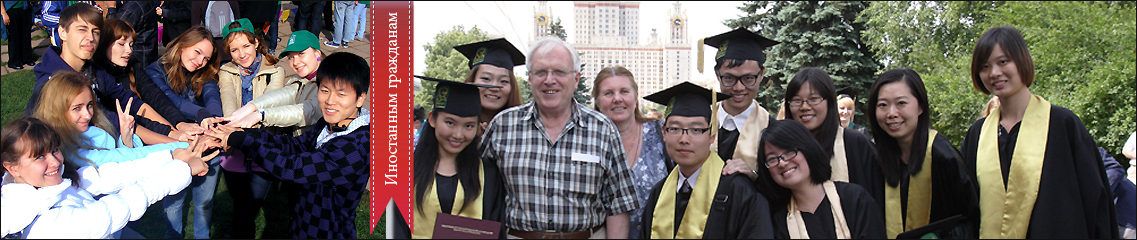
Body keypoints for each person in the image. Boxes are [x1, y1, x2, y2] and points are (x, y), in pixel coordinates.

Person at [959, 26, 1117, 239]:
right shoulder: (977, 135)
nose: (994, 73)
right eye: (985, 66)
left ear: (1021, 60)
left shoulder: (1062, 124)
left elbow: (1096, 201)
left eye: (1003, 62)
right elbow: (963, 205)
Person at [479, 36, 638, 239]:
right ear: (529, 78)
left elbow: (619, 203)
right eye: (540, 72)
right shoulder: (503, 126)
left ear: (576, 79)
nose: (549, 80)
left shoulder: (602, 129)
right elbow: (477, 191)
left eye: (559, 72)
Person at [205, 52, 371, 239]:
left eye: (341, 94)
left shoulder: (355, 146)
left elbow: (291, 168)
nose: (330, 101)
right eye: (325, 91)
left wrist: (241, 140)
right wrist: (246, 133)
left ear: (360, 98)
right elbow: (295, 145)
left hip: (328, 232)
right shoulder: (331, 124)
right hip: (303, 223)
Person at [0, 117, 208, 239]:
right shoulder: (45, 226)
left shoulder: (46, 186)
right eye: (39, 157)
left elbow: (113, 174)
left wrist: (171, 157)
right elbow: (116, 209)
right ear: (12, 168)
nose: (54, 162)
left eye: (54, 150)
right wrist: (180, 169)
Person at [638, 82, 775, 239]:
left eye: (696, 130)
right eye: (675, 129)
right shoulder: (659, 193)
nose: (684, 139)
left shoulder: (740, 191)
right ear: (664, 133)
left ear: (712, 135)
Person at [29, 3, 173, 145]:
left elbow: (130, 101)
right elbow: (112, 121)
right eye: (82, 30)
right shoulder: (50, 83)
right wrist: (174, 143)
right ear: (62, 33)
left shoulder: (94, 70)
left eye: (95, 32)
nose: (90, 38)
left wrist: (173, 131)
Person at [866, 68, 979, 238]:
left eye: (901, 103)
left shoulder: (942, 156)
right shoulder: (878, 157)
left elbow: (970, 219)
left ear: (920, 107)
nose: (891, 113)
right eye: (882, 105)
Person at [398, 76, 507, 239]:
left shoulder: (489, 174)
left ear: (478, 127)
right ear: (433, 119)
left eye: (469, 126)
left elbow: (497, 231)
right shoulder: (406, 171)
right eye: (450, 123)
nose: (458, 134)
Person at [144, 25, 223, 239]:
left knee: (204, 202)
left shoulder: (203, 73)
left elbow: (212, 95)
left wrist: (214, 121)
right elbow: (170, 100)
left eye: (206, 58)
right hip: (175, 147)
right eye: (197, 52)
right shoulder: (155, 71)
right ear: (182, 45)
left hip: (206, 144)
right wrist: (202, 114)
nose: (200, 61)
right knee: (173, 204)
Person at [32, 70, 196, 170]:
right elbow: (126, 158)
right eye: (77, 108)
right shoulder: (69, 151)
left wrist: (126, 138)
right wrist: (185, 146)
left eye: (90, 105)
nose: (88, 115)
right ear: (56, 110)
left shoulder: (86, 130)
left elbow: (125, 153)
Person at [215, 18, 287, 239]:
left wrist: (233, 129)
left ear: (256, 42)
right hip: (235, 148)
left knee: (249, 210)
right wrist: (231, 123)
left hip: (263, 148)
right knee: (240, 205)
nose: (241, 54)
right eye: (234, 50)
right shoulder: (226, 71)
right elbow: (227, 98)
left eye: (246, 45)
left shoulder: (276, 71)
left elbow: (268, 103)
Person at [756, 119, 886, 239]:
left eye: (789, 152)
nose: (782, 163)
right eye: (772, 159)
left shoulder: (854, 199)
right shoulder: (778, 222)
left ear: (807, 148)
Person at [589, 66, 675, 238]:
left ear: (635, 97)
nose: (617, 99)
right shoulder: (587, 142)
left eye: (624, 91)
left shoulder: (661, 134)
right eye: (608, 93)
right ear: (597, 101)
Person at [782, 67, 882, 199]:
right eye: (796, 100)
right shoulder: (781, 149)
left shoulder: (855, 144)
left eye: (814, 99)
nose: (804, 107)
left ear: (829, 102)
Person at [94, 18, 198, 142]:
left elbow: (154, 96)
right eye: (121, 44)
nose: (129, 50)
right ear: (104, 43)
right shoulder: (99, 77)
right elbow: (134, 118)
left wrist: (178, 126)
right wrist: (171, 135)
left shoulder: (132, 66)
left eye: (131, 45)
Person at [701, 28, 779, 181]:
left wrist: (753, 176)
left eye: (749, 78)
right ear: (717, 74)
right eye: (729, 78)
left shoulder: (773, 129)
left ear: (762, 74)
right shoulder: (700, 122)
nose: (739, 88)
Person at [222, 30, 324, 134]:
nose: (296, 62)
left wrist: (261, 115)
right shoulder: (299, 79)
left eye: (301, 54)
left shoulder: (328, 81)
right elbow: (286, 94)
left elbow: (307, 111)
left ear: (317, 53)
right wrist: (251, 106)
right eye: (291, 57)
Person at [453, 38, 525, 135]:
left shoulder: (524, 131)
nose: (493, 87)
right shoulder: (452, 127)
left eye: (503, 81)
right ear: (472, 81)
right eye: (486, 79)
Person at [3, 1, 36, 69]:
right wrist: (3, 13)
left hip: (25, 7)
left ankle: (27, 58)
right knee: (14, 37)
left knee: (26, 35)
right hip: (12, 9)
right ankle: (14, 62)